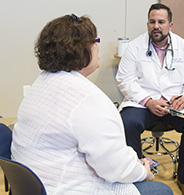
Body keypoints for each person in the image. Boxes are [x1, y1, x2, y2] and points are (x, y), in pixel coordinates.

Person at [11, 14, 173, 195]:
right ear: (80, 50)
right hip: (62, 187)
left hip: (35, 184)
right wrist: (144, 172)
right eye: (95, 41)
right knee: (161, 190)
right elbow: (115, 169)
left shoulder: (40, 85)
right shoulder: (88, 101)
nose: (98, 46)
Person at [116, 3, 184, 195]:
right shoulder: (134, 47)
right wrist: (148, 101)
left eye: (161, 22)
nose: (156, 26)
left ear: (170, 25)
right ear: (147, 24)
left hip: (175, 104)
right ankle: (138, 176)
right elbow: (124, 79)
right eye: (152, 21)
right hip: (142, 103)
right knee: (127, 123)